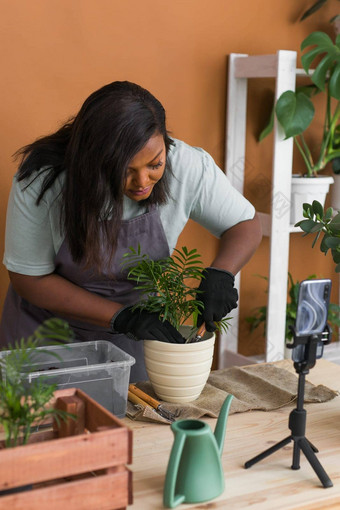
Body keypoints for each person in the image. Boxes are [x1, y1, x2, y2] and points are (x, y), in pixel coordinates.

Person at [0, 81, 262, 381]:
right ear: (94, 160)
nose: (142, 182)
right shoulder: (43, 180)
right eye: (125, 170)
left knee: (133, 420)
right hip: (46, 336)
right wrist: (120, 315)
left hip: (131, 338)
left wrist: (222, 273)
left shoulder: (188, 167)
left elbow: (246, 223)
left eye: (155, 164)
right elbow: (28, 279)